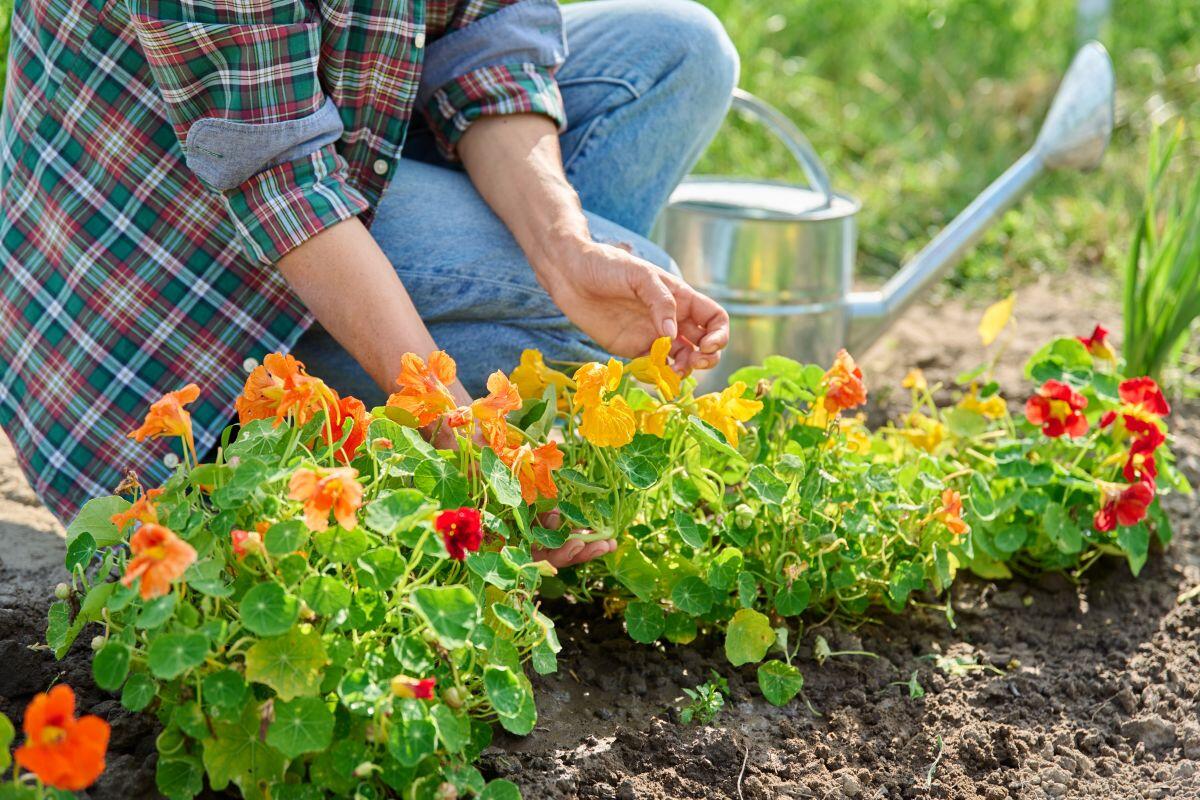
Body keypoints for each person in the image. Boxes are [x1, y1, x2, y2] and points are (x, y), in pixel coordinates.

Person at [0, 0, 738, 564]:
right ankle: (296, 439)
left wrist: (567, 252)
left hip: (349, 134)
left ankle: (476, 419)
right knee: (577, 336)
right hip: (173, 253)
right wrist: (472, 452)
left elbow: (490, 38)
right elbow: (281, 178)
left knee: (684, 49)